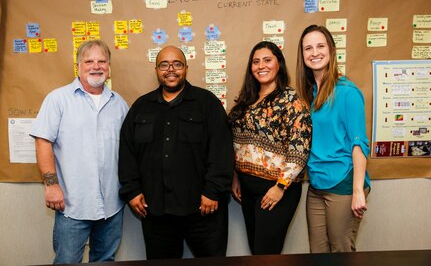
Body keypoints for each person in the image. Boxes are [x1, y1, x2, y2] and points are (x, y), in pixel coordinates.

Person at [118, 45, 234, 260]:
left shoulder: (207, 103)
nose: (170, 69)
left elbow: (222, 150)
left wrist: (213, 191)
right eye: (164, 64)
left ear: (186, 69)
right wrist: (132, 191)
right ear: (156, 70)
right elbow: (127, 152)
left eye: (177, 64)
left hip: (203, 210)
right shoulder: (141, 107)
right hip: (156, 213)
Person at [30, 40, 129, 263]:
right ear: (78, 66)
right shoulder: (58, 99)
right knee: (67, 261)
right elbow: (43, 142)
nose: (96, 66)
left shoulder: (120, 104)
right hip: (72, 204)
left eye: (102, 61)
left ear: (109, 66)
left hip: (112, 205)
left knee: (105, 260)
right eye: (89, 61)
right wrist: (51, 185)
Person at [228, 41, 312, 255]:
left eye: (267, 60)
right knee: (256, 251)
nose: (261, 66)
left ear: (279, 64)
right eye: (256, 62)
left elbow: (299, 150)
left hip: (276, 190)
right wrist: (235, 176)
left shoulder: (292, 101)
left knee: (267, 254)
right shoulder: (247, 100)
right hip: (247, 189)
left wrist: (280, 187)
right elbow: (236, 144)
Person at [296, 25, 371, 253]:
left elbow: (359, 143)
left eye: (320, 46)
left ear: (331, 50)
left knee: (341, 251)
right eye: (308, 48)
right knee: (317, 253)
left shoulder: (347, 91)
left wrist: (358, 190)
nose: (314, 52)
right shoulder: (311, 93)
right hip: (317, 184)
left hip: (343, 182)